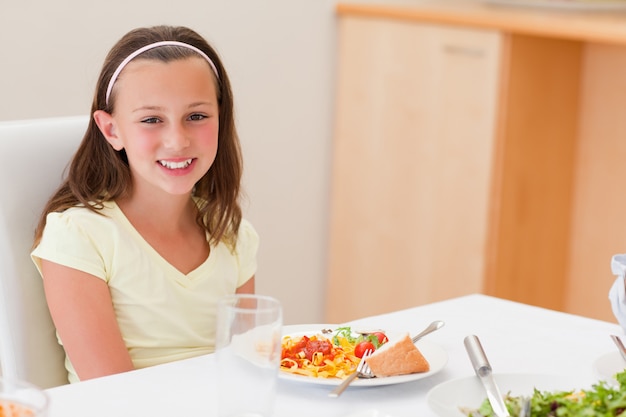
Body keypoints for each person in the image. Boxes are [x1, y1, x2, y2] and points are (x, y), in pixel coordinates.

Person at [31, 25, 259, 384]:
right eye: (152, 120)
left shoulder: (232, 234)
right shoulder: (79, 235)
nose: (176, 140)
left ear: (221, 118)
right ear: (111, 130)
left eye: (196, 116)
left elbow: (247, 372)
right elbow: (115, 394)